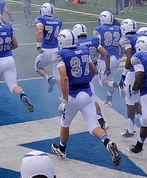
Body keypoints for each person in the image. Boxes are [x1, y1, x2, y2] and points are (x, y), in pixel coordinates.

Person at [50, 28, 121, 165]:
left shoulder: (59, 54)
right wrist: (83, 80)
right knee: (93, 126)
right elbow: (94, 71)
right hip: (88, 94)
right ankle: (107, 141)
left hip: (73, 96)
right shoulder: (83, 50)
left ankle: (62, 149)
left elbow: (64, 78)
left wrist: (65, 99)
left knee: (65, 123)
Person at [0, 10, 35, 114]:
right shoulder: (8, 28)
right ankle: (22, 94)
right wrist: (5, 49)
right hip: (9, 60)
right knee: (13, 86)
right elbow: (15, 44)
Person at [35, 2, 62, 94]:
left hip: (46, 50)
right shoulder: (58, 22)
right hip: (56, 50)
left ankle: (49, 78)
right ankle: (65, 97)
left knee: (37, 67)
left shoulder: (41, 20)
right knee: (58, 76)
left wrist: (38, 45)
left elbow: (39, 31)